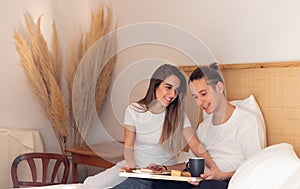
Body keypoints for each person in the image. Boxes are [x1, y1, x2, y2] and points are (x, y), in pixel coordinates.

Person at [112, 63, 266, 189]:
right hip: (195, 180)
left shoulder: (247, 121)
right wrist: (164, 170)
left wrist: (219, 174)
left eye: (203, 94)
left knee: (208, 186)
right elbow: (190, 165)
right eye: (195, 97)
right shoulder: (204, 126)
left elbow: (255, 166)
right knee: (146, 184)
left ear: (219, 88)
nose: (199, 103)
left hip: (219, 182)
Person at [84, 64, 217, 189]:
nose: (172, 95)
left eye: (176, 91)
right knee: (91, 185)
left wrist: (213, 167)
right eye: (168, 87)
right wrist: (130, 164)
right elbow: (128, 147)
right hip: (136, 168)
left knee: (138, 185)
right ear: (156, 84)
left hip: (162, 172)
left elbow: (195, 145)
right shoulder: (134, 110)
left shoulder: (178, 116)